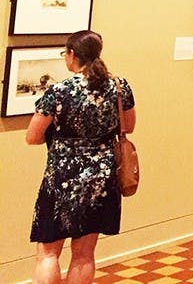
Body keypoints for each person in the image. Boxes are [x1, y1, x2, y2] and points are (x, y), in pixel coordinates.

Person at [25, 30, 137, 284]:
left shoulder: (59, 91)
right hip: (101, 177)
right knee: (84, 254)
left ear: (72, 54)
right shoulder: (119, 86)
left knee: (48, 252)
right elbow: (128, 126)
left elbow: (32, 136)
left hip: (62, 176)